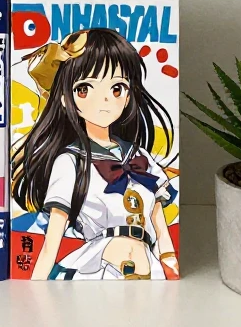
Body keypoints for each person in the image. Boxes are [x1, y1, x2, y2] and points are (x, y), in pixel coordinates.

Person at [10, 29, 177, 280]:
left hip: (148, 269)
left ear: (128, 95)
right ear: (65, 99)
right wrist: (34, 288)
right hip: (95, 269)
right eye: (84, 89)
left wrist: (170, 262)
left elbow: (159, 223)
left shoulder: (140, 156)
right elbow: (52, 241)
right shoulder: (70, 161)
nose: (104, 99)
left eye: (117, 88)